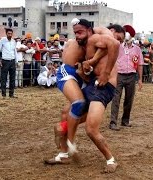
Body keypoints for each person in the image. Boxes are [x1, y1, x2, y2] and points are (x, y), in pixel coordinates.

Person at [46, 19, 120, 173]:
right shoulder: (87, 46)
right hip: (93, 85)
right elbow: (89, 67)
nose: (77, 36)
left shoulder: (95, 38)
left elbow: (115, 44)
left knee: (91, 129)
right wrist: (86, 68)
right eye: (75, 33)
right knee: (66, 114)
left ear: (89, 30)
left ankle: (111, 160)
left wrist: (106, 73)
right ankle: (64, 153)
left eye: (80, 32)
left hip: (104, 87)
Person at [109, 24, 143, 131]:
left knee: (129, 99)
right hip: (118, 74)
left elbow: (140, 63)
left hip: (131, 75)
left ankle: (125, 120)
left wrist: (140, 79)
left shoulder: (137, 49)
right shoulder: (117, 46)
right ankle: (113, 122)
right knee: (116, 98)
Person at [0, 28, 18, 98]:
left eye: (11, 34)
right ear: (6, 34)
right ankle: (3, 94)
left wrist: (16, 61)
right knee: (3, 78)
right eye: (8, 33)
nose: (10, 35)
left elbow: (15, 52)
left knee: (12, 78)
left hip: (12, 61)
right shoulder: (2, 40)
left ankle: (11, 94)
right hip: (5, 61)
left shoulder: (14, 41)